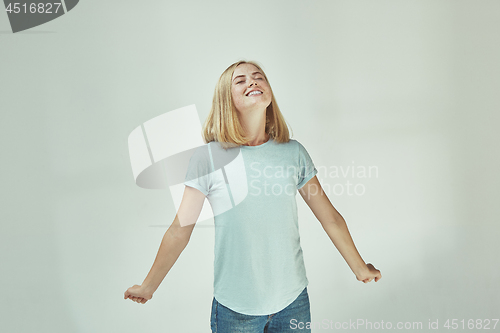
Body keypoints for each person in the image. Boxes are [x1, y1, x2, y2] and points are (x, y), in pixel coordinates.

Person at [124, 60, 382, 332]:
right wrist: (148, 285)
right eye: (241, 80)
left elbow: (330, 218)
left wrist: (359, 267)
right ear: (227, 99)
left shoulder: (293, 153)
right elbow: (180, 231)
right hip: (236, 310)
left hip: (293, 302)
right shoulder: (208, 159)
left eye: (259, 77)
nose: (253, 82)